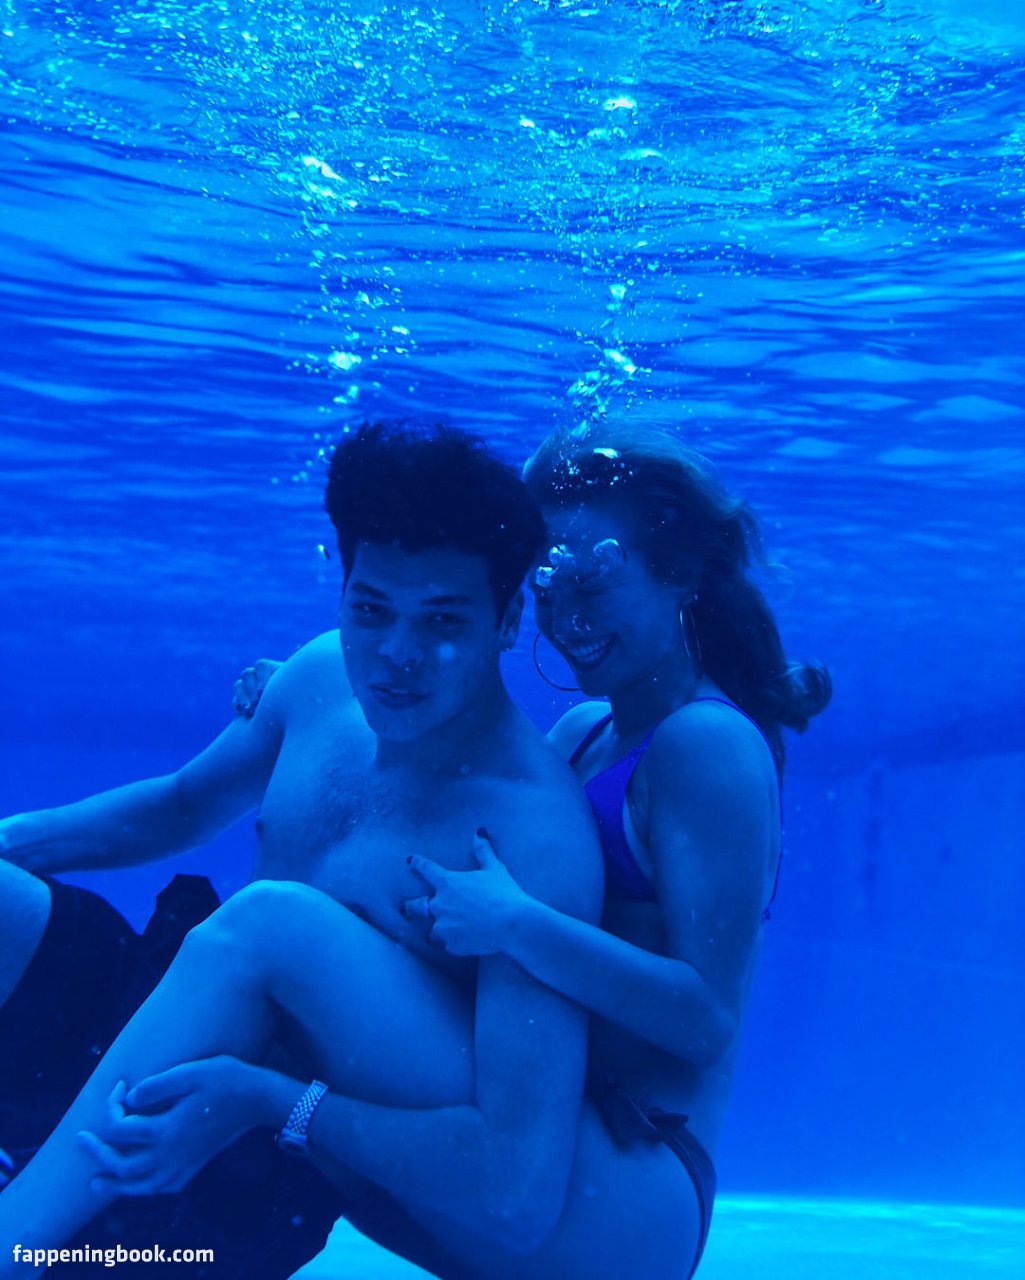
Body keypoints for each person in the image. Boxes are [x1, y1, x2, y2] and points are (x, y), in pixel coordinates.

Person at [1, 421, 830, 1280]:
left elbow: (705, 1019)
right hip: (539, 1133)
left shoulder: (704, 743)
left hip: (624, 1189)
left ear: (681, 573)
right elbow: (422, 777)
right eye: (551, 586)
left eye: (591, 583)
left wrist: (518, 927)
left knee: (277, 927)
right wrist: (320, 689)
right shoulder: (585, 732)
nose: (567, 619)